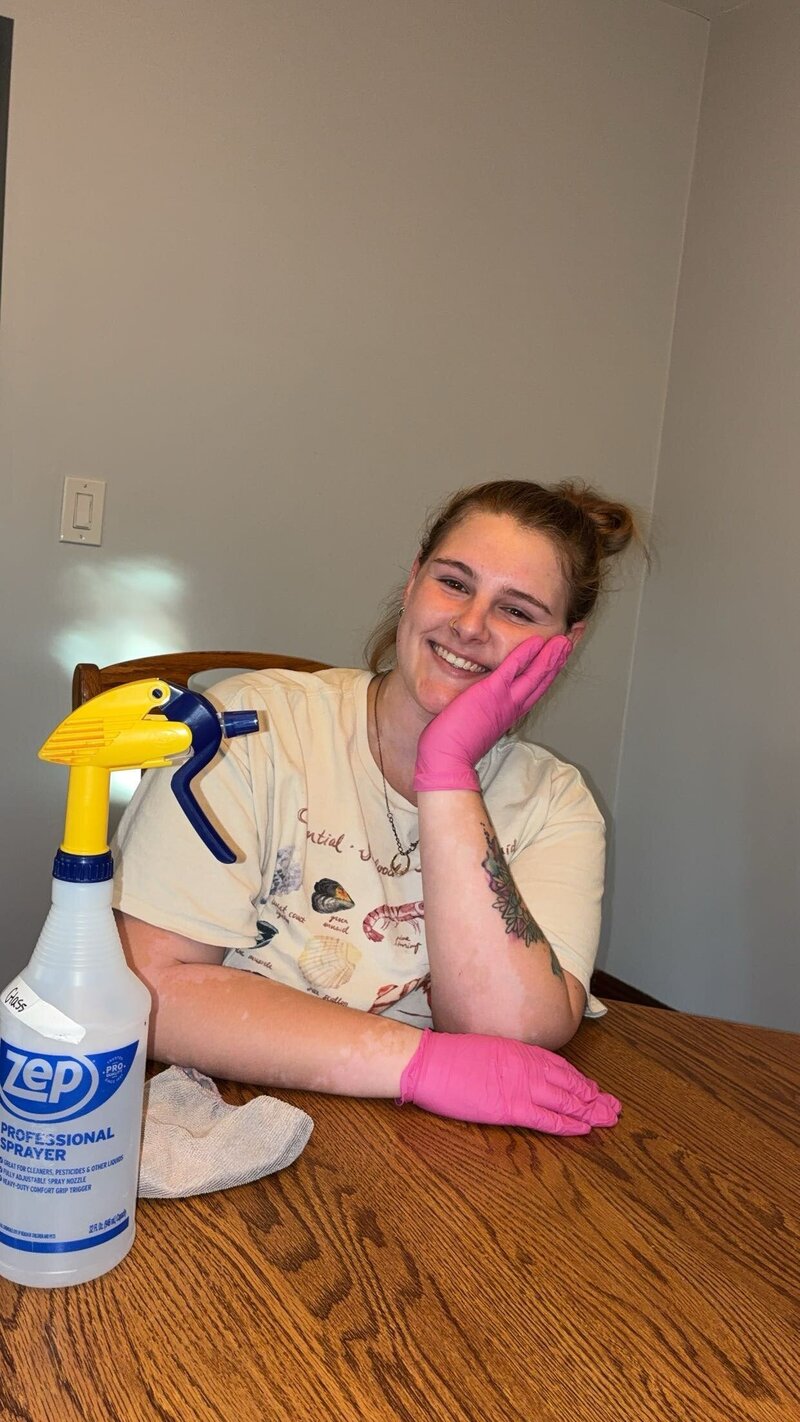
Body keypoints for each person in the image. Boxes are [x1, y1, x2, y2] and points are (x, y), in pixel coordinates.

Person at [114, 479, 639, 1136]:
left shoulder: (555, 803)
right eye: (454, 583)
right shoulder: (242, 732)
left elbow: (509, 1033)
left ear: (564, 644)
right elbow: (150, 987)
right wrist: (420, 1064)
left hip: (427, 1149)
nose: (470, 625)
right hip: (215, 1115)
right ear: (415, 580)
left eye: (518, 611)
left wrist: (446, 771)